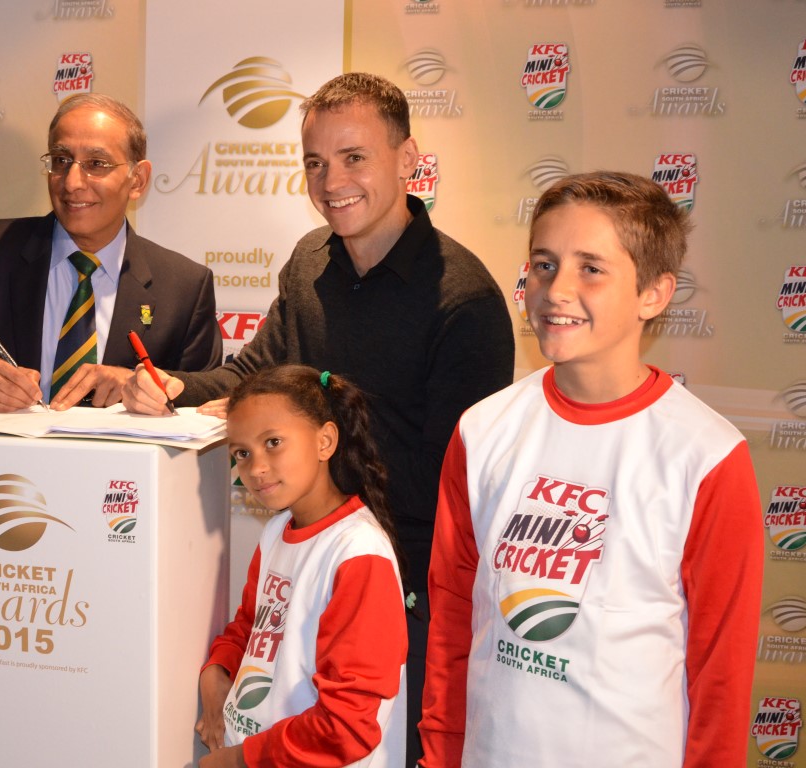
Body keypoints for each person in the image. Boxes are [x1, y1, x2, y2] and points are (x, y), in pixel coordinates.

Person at [124, 72, 515, 762]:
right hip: (307, 565)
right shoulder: (310, 261)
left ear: (407, 158)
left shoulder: (464, 300)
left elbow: (456, 486)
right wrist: (172, 387)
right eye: (314, 162)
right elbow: (252, 377)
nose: (331, 181)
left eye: (353, 157)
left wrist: (315, 454)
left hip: (400, 592)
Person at [421, 171, 763, 767]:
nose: (556, 289)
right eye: (544, 264)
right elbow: (451, 619)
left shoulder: (706, 457)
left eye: (591, 269)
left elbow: (721, 675)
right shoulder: (482, 431)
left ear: (654, 294)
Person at [0, 93, 221, 420]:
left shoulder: (183, 287)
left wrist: (144, 390)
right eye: (61, 161)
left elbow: (207, 406)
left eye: (96, 164)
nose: (72, 183)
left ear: (138, 180)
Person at [198, 365, 407, 768]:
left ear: (325, 440)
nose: (256, 468)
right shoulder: (277, 530)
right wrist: (217, 669)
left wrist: (238, 760)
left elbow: (346, 727)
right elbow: (251, 625)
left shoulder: (358, 554)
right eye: (242, 453)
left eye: (273, 442)